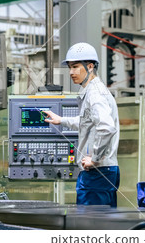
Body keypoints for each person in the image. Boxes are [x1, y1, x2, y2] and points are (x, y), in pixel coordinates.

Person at [43, 42, 120, 207]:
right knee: (105, 222)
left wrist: (95, 158)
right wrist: (61, 120)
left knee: (90, 223)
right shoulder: (92, 90)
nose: (71, 72)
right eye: (70, 67)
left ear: (90, 66)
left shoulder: (95, 93)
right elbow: (88, 122)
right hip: (104, 171)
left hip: (98, 172)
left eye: (76, 67)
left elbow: (106, 127)